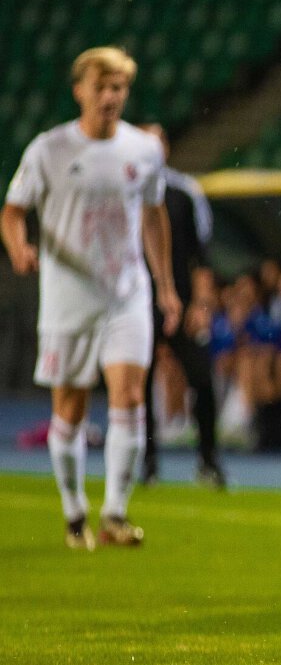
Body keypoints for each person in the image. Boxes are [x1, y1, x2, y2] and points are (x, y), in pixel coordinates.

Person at [1, 47, 182, 548]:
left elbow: (153, 216)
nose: (109, 97)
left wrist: (165, 286)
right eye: (100, 87)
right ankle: (74, 511)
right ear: (79, 89)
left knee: (128, 397)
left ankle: (116, 515)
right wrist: (19, 247)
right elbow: (13, 211)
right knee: (70, 409)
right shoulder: (49, 150)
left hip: (126, 293)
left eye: (118, 88)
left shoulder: (144, 151)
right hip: (67, 297)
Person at [139, 124, 225, 488]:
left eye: (158, 140)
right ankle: (145, 463)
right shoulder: (123, 190)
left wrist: (202, 304)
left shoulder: (183, 193)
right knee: (135, 388)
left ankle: (208, 460)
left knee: (202, 379)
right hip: (136, 303)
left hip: (180, 302)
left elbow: (201, 257)